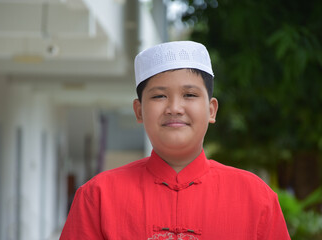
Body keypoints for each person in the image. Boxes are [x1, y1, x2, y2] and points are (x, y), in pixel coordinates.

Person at [60, 41, 290, 240]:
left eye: (189, 95)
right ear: (139, 111)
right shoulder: (98, 197)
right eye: (159, 96)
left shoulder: (256, 198)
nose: (174, 108)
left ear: (211, 110)